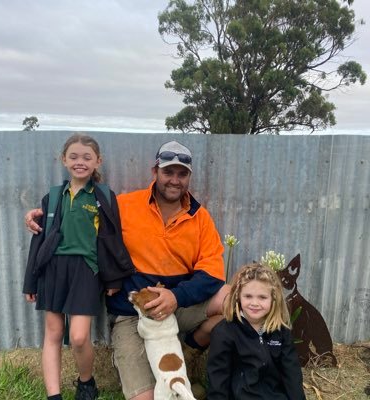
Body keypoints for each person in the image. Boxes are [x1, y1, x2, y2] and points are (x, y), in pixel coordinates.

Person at [25, 140, 229, 400]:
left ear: (189, 177)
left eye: (182, 174)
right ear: (155, 172)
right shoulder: (123, 205)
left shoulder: (200, 217)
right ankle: (134, 365)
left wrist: (176, 297)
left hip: (178, 305)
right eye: (168, 172)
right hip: (132, 313)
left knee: (232, 299)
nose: (174, 180)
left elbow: (213, 273)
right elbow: (81, 216)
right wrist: (40, 215)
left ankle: (188, 353)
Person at [23, 134, 134, 400]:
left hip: (87, 271)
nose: (80, 162)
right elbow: (39, 239)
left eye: (86, 157)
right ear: (64, 160)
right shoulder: (52, 197)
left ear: (98, 161)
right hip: (53, 270)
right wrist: (30, 281)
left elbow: (112, 239)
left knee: (79, 336)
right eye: (73, 157)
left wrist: (113, 280)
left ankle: (86, 383)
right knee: (53, 332)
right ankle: (54, 395)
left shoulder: (104, 196)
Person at [207, 263, 306, 400]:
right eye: (248, 296)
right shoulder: (224, 332)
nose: (255, 303)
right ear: (238, 296)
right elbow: (218, 381)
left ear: (273, 298)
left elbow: (292, 375)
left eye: (262, 297)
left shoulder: (281, 332)